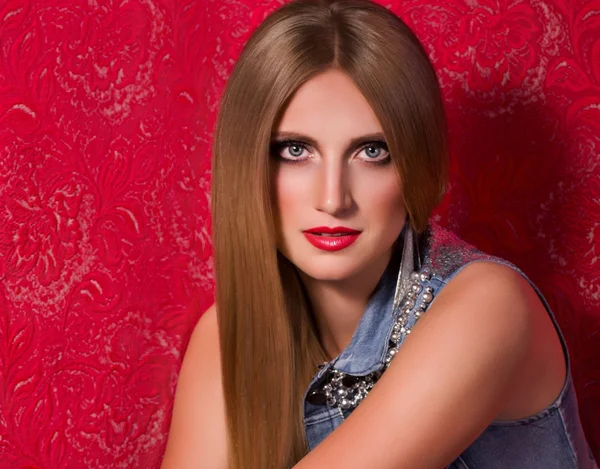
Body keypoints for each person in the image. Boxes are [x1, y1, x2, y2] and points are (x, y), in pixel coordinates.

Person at [160, 0, 598, 468]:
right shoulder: (231, 335)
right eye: (294, 150)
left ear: (416, 165)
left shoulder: (490, 307)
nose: (333, 198)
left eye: (371, 151)